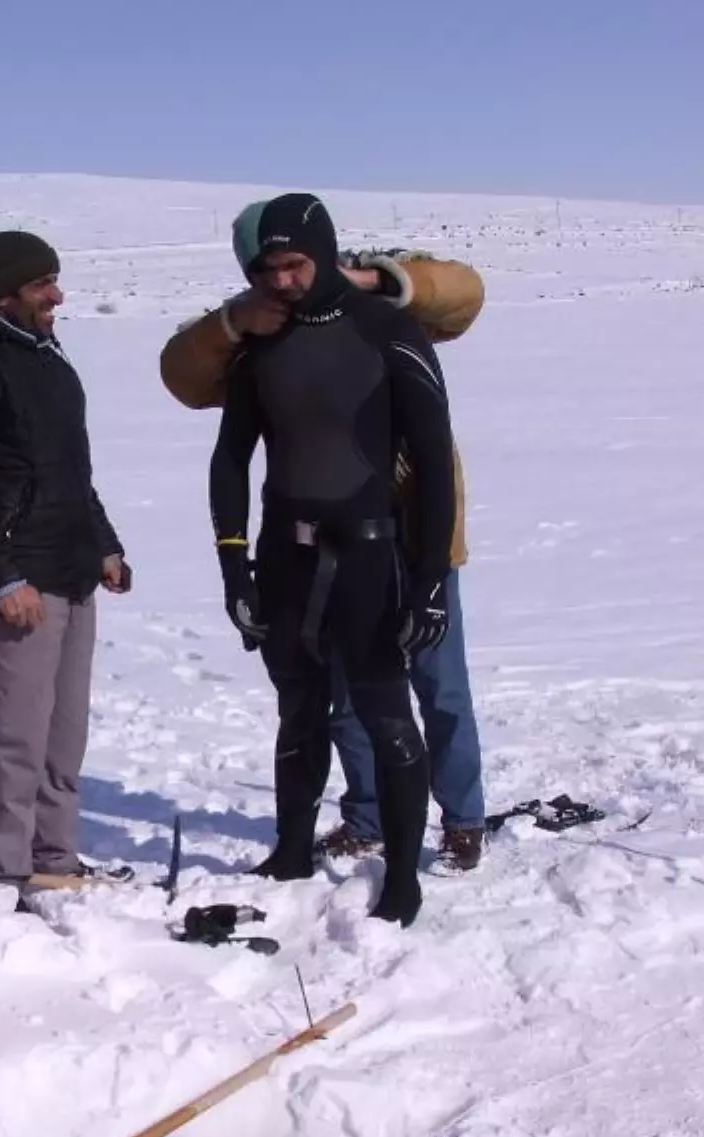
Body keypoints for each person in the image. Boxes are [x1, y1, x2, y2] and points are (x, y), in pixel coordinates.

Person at [162, 215, 487, 873]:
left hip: (419, 531)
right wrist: (232, 322)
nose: (283, 283)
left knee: (437, 682)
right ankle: (366, 815)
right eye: (263, 272)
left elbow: (466, 294)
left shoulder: (382, 303)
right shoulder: (266, 326)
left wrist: (373, 279)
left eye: (295, 266)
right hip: (323, 541)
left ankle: (462, 820)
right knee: (344, 689)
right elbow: (185, 379)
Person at [0, 229, 131, 886]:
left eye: (54, 280)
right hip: (17, 581)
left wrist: (103, 540)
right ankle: (3, 871)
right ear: (3, 295)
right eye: (42, 285)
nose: (56, 295)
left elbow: (70, 470)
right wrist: (2, 575)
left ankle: (54, 858)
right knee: (18, 737)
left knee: (64, 737)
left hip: (70, 570)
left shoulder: (48, 358)